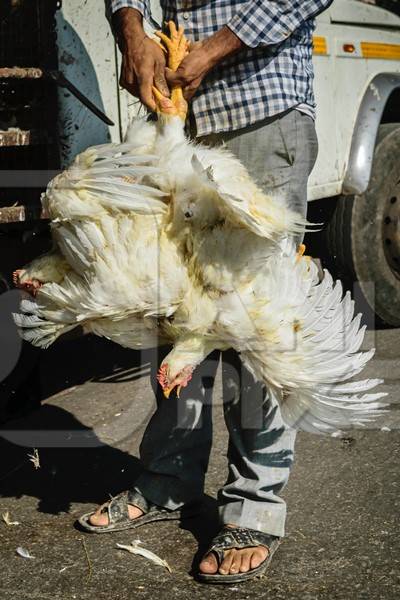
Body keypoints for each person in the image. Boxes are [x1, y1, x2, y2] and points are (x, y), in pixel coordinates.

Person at [78, 0, 332, 584]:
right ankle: (169, 479)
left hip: (259, 111)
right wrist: (133, 30)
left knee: (254, 315)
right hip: (176, 115)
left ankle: (254, 504)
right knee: (168, 301)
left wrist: (214, 48)